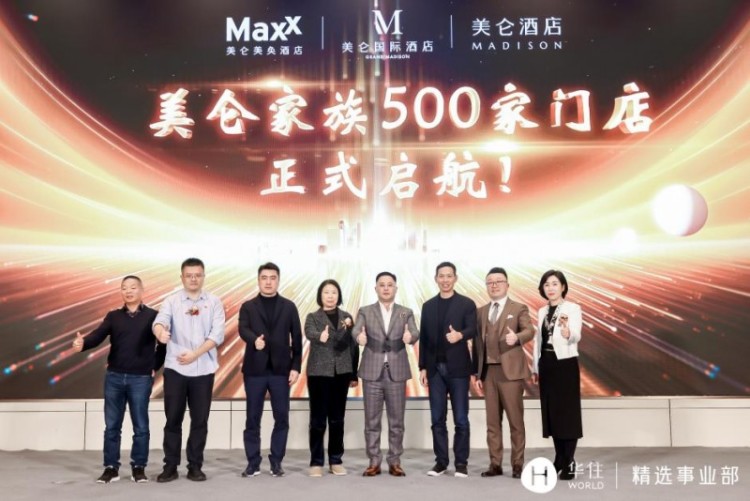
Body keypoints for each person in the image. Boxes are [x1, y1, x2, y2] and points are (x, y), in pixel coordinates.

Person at [72, 275, 166, 484]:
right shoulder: (113, 316)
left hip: (140, 379)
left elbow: (163, 346)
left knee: (141, 427)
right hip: (114, 377)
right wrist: (83, 343)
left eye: (133, 287)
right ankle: (111, 468)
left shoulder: (154, 316)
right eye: (124, 288)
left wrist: (153, 367)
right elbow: (97, 336)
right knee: (112, 426)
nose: (128, 291)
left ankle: (139, 467)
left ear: (142, 290)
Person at [152, 258, 225, 482]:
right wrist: (160, 333)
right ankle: (170, 466)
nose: (193, 279)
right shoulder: (172, 301)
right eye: (189, 275)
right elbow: (159, 321)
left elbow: (217, 334)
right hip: (176, 369)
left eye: (197, 275)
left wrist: (195, 354)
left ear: (203, 276)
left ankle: (195, 466)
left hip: (203, 369)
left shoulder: (214, 302)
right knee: (173, 419)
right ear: (182, 277)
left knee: (199, 420)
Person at [238, 262, 302, 478]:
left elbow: (297, 338)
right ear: (258, 280)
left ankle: (276, 462)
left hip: (281, 371)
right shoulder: (248, 306)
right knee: (252, 419)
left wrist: (296, 367)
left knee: (281, 418)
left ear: (278, 280)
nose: (268, 282)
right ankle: (253, 463)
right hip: (254, 371)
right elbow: (243, 328)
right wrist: (253, 340)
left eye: (272, 278)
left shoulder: (289, 306)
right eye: (264, 278)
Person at [351, 271, 419, 477]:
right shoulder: (365, 311)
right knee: (371, 421)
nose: (386, 288)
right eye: (382, 285)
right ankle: (374, 461)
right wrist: (359, 337)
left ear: (395, 288)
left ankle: (395, 461)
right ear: (376, 288)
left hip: (396, 372)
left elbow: (415, 332)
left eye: (390, 285)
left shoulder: (405, 312)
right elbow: (355, 330)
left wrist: (410, 336)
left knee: (396, 421)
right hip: (372, 371)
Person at [471, 267, 535, 479]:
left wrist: (517, 338)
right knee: (492, 422)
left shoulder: (518, 308)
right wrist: (477, 372)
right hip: (488, 373)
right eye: (490, 282)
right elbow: (477, 344)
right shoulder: (481, 312)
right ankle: (495, 464)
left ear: (507, 285)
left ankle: (517, 464)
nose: (494, 285)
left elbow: (529, 330)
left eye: (498, 281)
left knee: (515, 421)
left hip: (510, 374)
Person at [418, 262, 477, 477]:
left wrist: (460, 335)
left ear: (455, 278)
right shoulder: (428, 306)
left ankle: (461, 463)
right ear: (436, 279)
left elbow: (474, 329)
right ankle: (441, 462)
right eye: (441, 276)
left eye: (449, 276)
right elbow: (424, 339)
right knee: (437, 419)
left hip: (458, 369)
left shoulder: (466, 303)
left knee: (461, 419)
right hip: (434, 370)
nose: (445, 280)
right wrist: (423, 367)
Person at [303, 279, 359, 477]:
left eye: (334, 292)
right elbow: (309, 332)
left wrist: (353, 374)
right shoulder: (312, 317)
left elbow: (353, 346)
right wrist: (320, 336)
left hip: (341, 373)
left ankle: (336, 460)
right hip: (319, 373)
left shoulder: (347, 317)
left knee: (337, 419)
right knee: (318, 420)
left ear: (338, 295)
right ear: (320, 295)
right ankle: (316, 462)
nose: (330, 296)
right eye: (326, 292)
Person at [531, 270, 583, 481]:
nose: (550, 288)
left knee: (567, 413)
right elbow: (538, 341)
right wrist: (535, 367)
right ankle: (559, 458)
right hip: (547, 364)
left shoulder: (572, 308)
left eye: (554, 284)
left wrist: (569, 334)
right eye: (546, 284)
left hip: (565, 364)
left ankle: (569, 460)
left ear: (563, 287)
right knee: (552, 413)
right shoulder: (542, 311)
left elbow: (577, 334)